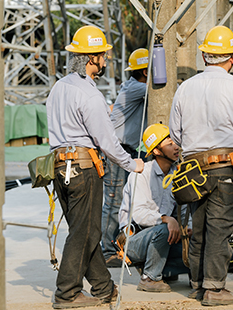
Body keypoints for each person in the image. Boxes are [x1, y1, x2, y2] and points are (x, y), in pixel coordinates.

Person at [47, 25, 144, 309]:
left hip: (60, 167)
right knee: (85, 232)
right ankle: (67, 292)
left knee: (84, 229)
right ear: (93, 58)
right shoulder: (89, 95)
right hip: (84, 168)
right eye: (102, 56)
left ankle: (103, 287)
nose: (105, 61)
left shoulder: (59, 88)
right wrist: (131, 164)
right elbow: (108, 143)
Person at [169, 25, 233, 306]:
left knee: (198, 228)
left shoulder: (185, 88)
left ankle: (198, 284)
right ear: (231, 58)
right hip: (227, 168)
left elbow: (176, 134)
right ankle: (215, 288)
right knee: (220, 229)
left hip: (193, 170)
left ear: (204, 57)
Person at [117, 123, 190, 292]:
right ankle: (149, 277)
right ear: (156, 151)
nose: (176, 147)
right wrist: (167, 219)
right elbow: (139, 214)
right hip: (135, 241)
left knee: (197, 248)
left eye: (175, 142)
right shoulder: (141, 175)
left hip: (164, 239)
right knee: (164, 229)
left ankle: (164, 268)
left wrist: (189, 227)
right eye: (169, 144)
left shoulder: (176, 174)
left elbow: (185, 208)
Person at [103, 48, 149, 267]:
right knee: (113, 201)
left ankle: (120, 245)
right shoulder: (138, 88)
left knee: (126, 199)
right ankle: (107, 251)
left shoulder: (134, 86)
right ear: (146, 72)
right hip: (117, 149)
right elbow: (164, 90)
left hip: (128, 149)